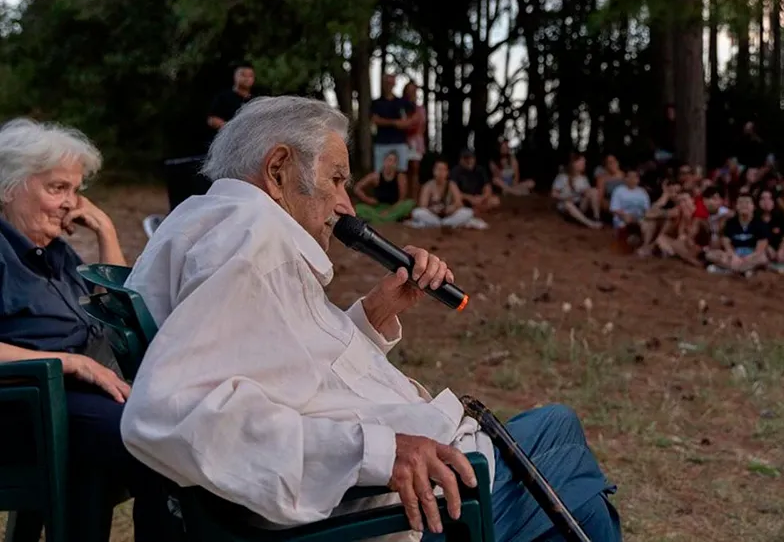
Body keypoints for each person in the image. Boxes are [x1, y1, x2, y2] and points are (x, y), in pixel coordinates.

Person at [122, 96, 621, 540]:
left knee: (560, 446)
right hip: (379, 509)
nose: (346, 206)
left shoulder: (211, 223)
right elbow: (174, 411)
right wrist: (383, 452)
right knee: (563, 447)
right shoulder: (252, 242)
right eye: (336, 180)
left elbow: (293, 371)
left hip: (368, 489)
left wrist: (377, 313)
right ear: (278, 170)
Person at [0, 119, 174, 541]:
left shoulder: (52, 252)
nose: (70, 204)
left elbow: (118, 311)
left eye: (75, 191)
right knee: (157, 443)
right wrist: (70, 363)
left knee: (170, 427)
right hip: (22, 412)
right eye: (57, 188)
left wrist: (106, 232)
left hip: (71, 407)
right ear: (9, 188)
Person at [705, 192, 769, 276]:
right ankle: (744, 271)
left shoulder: (761, 224)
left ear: (753, 206)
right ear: (736, 206)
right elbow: (726, 244)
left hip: (751, 256)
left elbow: (759, 250)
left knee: (763, 258)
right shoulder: (730, 223)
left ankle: (731, 271)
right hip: (734, 256)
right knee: (710, 254)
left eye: (747, 202)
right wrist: (734, 256)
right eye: (741, 202)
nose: (744, 205)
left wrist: (746, 259)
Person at [411, 160, 482, 229]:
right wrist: (432, 209)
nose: (440, 172)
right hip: (433, 216)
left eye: (443, 170)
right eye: (438, 169)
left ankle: (441, 224)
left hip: (449, 216)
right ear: (433, 171)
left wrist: (452, 208)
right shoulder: (428, 185)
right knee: (417, 212)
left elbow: (459, 203)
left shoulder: (452, 185)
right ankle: (444, 224)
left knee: (468, 212)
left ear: (447, 172)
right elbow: (423, 205)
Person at [353, 150, 415, 223]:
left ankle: (378, 220)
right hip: (378, 208)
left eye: (394, 161)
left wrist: (389, 211)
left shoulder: (400, 177)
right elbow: (357, 188)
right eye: (389, 160)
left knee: (409, 203)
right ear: (384, 161)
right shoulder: (376, 176)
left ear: (397, 164)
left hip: (395, 207)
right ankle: (386, 220)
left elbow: (401, 200)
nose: (391, 163)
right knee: (358, 208)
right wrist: (367, 199)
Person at [371, 74, 415, 176]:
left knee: (401, 174)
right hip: (381, 143)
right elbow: (375, 120)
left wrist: (404, 123)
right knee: (379, 173)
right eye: (387, 82)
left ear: (394, 84)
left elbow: (410, 120)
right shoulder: (377, 103)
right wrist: (395, 122)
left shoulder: (402, 102)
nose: (389, 85)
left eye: (391, 82)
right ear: (383, 84)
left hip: (400, 143)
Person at [206, 62, 255, 144]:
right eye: (243, 75)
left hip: (248, 145)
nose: (247, 78)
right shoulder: (223, 97)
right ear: (235, 76)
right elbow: (212, 120)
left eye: (250, 76)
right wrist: (231, 128)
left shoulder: (255, 101)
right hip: (225, 144)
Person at [552, 154, 602, 229]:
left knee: (594, 191)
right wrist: (564, 197)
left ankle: (596, 218)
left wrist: (585, 192)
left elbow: (587, 193)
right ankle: (590, 223)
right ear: (574, 164)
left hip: (580, 205)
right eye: (582, 163)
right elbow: (553, 194)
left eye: (584, 163)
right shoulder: (563, 177)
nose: (584, 165)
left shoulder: (584, 178)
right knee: (567, 204)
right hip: (567, 207)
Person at [450, 149, 500, 214]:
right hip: (464, 200)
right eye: (466, 158)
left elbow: (487, 187)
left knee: (495, 201)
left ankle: (474, 211)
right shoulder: (455, 171)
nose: (468, 161)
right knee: (456, 203)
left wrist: (482, 197)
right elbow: (454, 190)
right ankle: (475, 211)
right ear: (460, 160)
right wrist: (470, 198)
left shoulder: (480, 170)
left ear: (474, 159)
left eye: (471, 158)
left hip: (479, 199)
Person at [400, 82, 427, 200]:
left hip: (416, 141)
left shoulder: (420, 109)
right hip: (403, 141)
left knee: (415, 170)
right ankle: (403, 199)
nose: (412, 92)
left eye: (414, 90)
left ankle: (415, 199)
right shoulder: (401, 108)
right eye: (409, 90)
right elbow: (403, 125)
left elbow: (421, 126)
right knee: (404, 170)